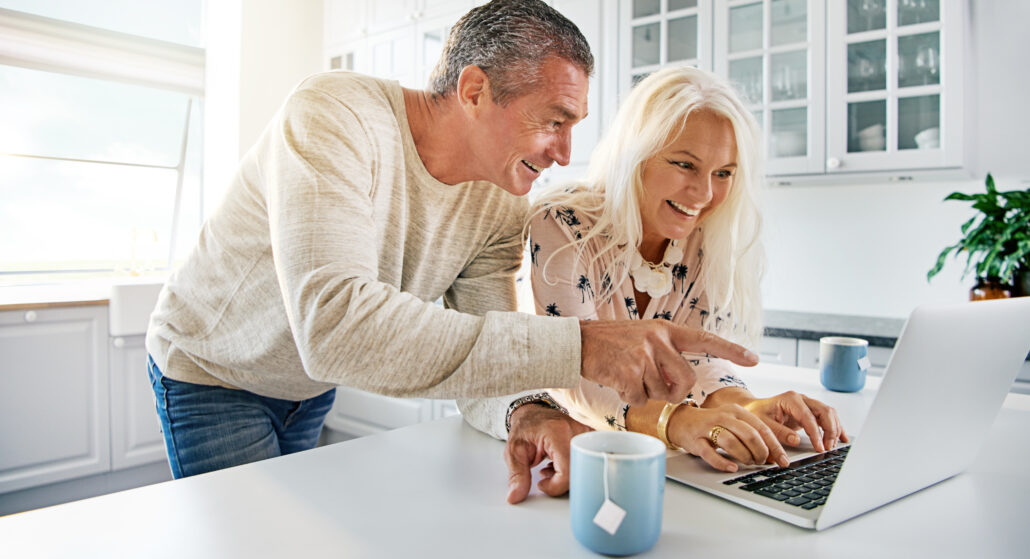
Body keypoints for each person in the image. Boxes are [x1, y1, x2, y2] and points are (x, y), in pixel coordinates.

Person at [145, 0, 759, 479]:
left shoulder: (501, 201)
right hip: (213, 371)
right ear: (473, 90)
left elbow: (485, 364)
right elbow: (333, 328)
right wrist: (581, 346)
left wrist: (528, 412)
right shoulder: (335, 116)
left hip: (305, 388)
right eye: (553, 120)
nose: (566, 152)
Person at [458, 66, 847, 504]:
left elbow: (697, 357)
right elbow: (572, 372)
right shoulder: (563, 224)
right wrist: (678, 422)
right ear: (636, 155)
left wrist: (742, 404)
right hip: (572, 461)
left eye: (724, 173)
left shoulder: (702, 237)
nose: (703, 192)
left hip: (659, 472)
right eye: (685, 164)